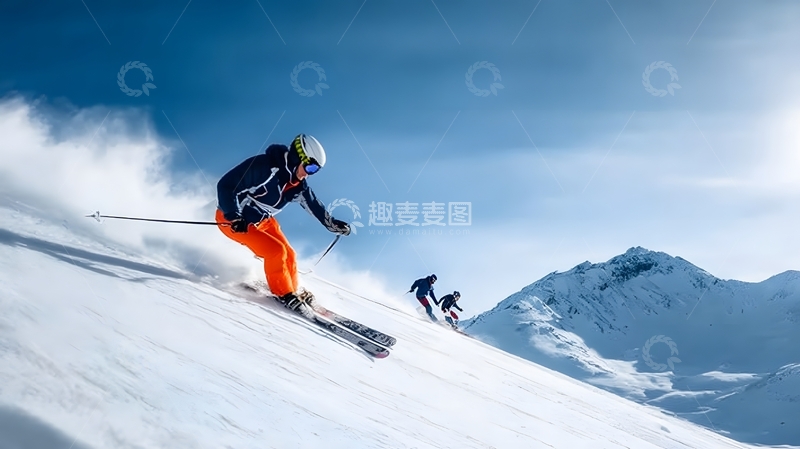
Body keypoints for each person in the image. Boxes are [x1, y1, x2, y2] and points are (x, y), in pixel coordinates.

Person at [215, 134, 351, 314]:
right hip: (233, 219)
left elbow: (314, 205)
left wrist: (332, 224)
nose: (308, 174)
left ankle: (293, 289)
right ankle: (284, 293)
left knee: (290, 255)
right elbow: (226, 185)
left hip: (263, 220)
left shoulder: (298, 186)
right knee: (276, 251)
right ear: (298, 157)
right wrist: (234, 216)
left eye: (314, 171)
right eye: (310, 167)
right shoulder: (264, 167)